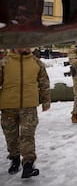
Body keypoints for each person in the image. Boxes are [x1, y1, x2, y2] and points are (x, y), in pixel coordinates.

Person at [0, 48, 51, 178]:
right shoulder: (4, 62)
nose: (25, 47)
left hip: (29, 106)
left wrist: (46, 101)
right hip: (8, 106)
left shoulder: (36, 62)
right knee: (11, 136)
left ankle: (28, 164)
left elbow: (44, 83)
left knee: (28, 135)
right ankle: (15, 158)